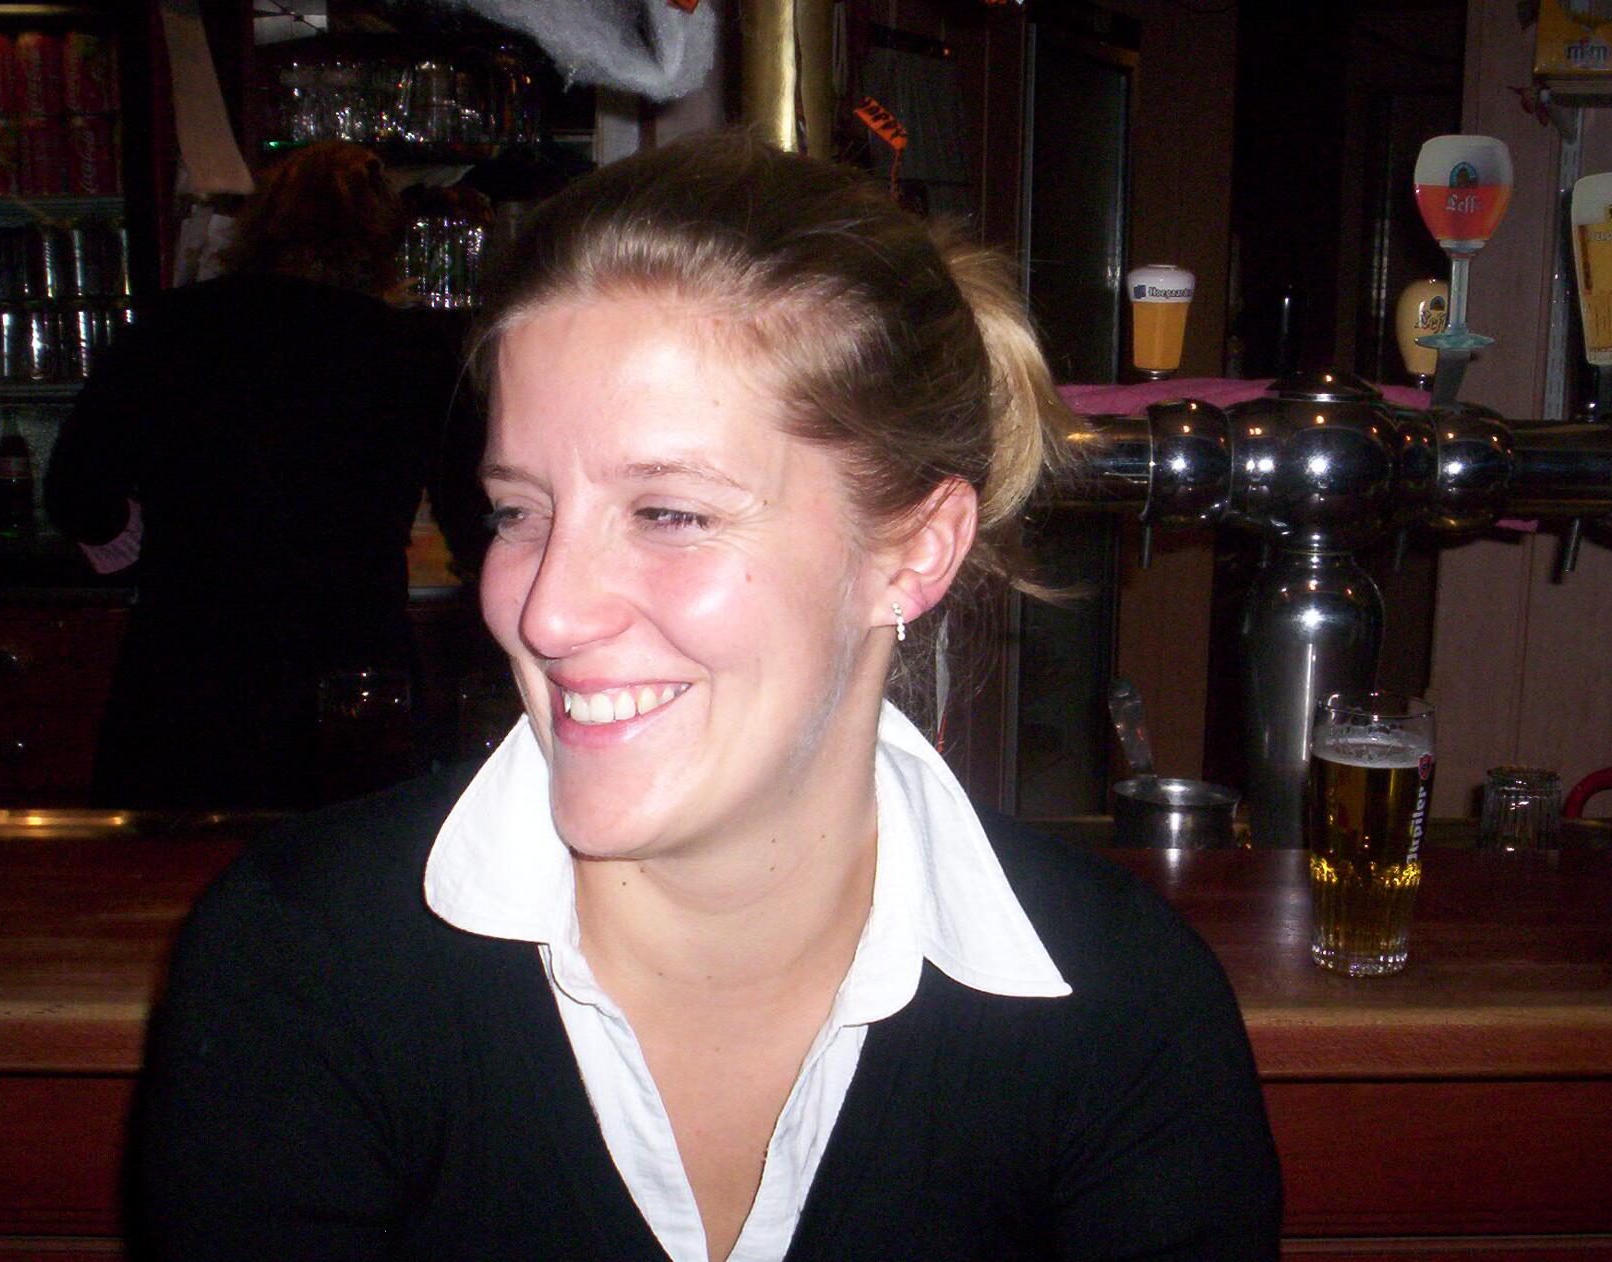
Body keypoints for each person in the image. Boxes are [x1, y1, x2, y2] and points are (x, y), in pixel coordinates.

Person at [136, 131, 1281, 1259]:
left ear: (915, 549)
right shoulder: (305, 962)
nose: (548, 613)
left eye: (669, 512)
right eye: (519, 511)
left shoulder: (1124, 1015)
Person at [45, 141, 466, 809]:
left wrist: (142, 544)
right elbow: (473, 512)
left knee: (169, 862)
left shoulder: (170, 328)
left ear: (259, 225)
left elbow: (76, 494)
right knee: (346, 858)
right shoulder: (412, 350)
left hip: (188, 662)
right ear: (381, 240)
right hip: (348, 665)